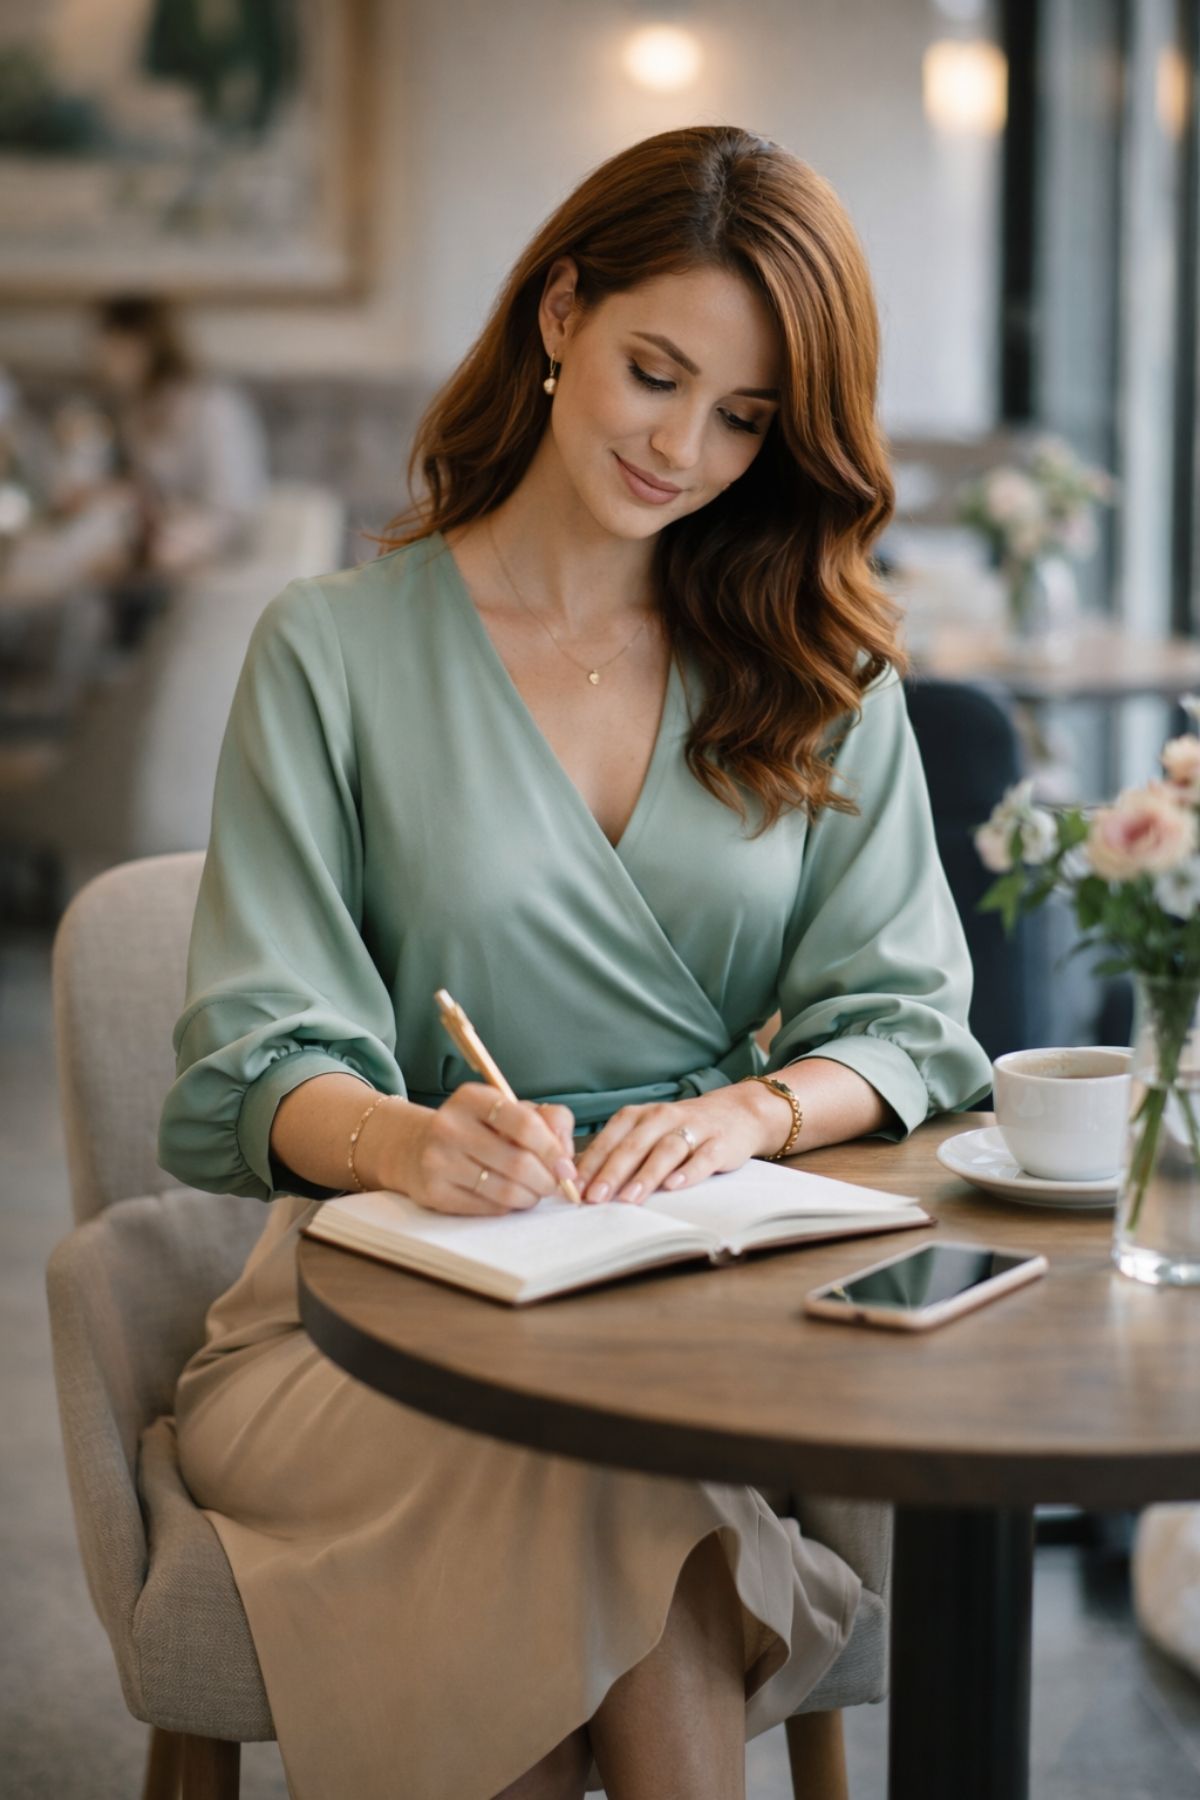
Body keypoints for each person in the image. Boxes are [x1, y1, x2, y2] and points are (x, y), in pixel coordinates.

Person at [157, 125, 992, 1800]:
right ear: (559, 317)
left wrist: (753, 1114)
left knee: (600, 1467)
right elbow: (253, 1061)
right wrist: (410, 1138)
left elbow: (909, 1027)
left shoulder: (821, 666)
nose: (684, 448)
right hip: (370, 1323)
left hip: (694, 1320)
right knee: (592, 1484)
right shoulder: (330, 651)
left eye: (746, 417)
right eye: (654, 374)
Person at [90, 293, 268, 576]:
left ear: (147, 346)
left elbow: (233, 502)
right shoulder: (133, 411)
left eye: (115, 348)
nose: (104, 361)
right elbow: (147, 490)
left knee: (155, 554)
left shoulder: (212, 404)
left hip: (220, 530)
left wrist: (178, 531)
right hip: (163, 531)